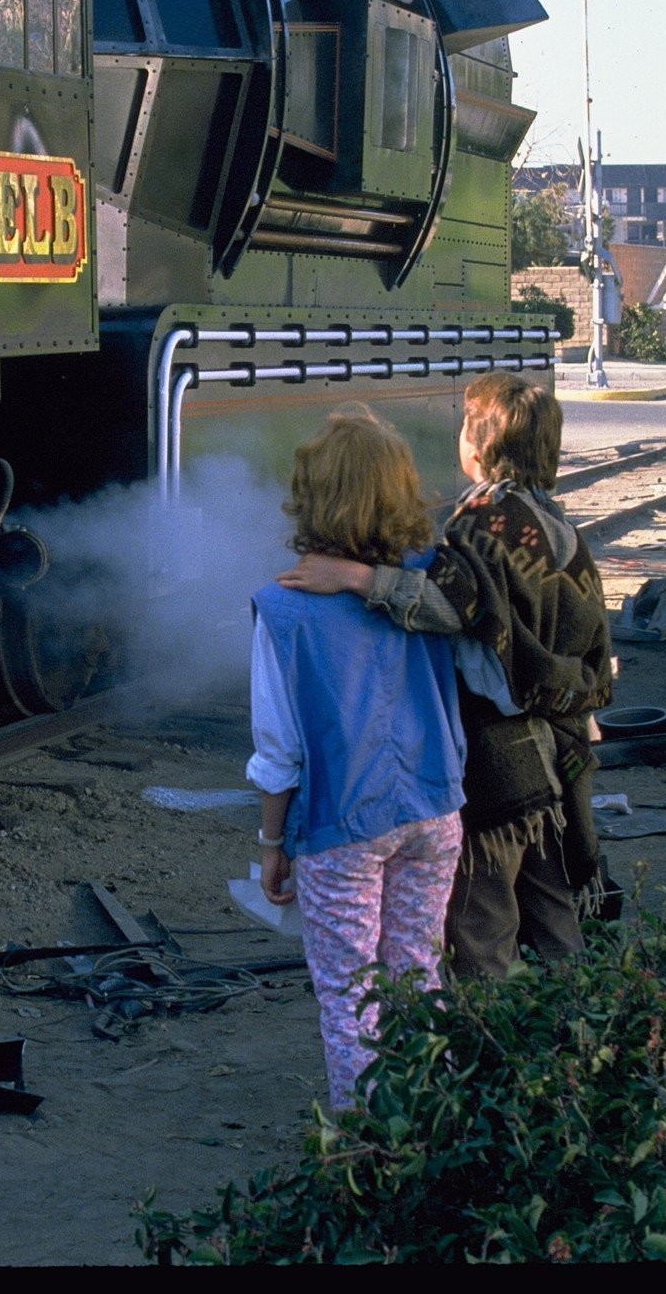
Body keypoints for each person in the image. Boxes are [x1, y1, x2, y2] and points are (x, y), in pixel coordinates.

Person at [279, 372, 612, 980]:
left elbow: (452, 607)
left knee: (481, 930)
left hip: (497, 767)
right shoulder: (559, 525)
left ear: (479, 448)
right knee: (556, 917)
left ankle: (494, 1055)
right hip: (554, 759)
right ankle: (585, 1045)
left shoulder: (482, 523)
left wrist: (359, 579)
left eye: (464, 425)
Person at [250, 408, 467, 1112]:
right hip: (436, 811)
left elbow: (278, 751)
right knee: (418, 974)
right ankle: (428, 1130)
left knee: (351, 998)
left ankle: (365, 1155)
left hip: (343, 826)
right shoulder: (428, 587)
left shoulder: (281, 610)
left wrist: (272, 845)